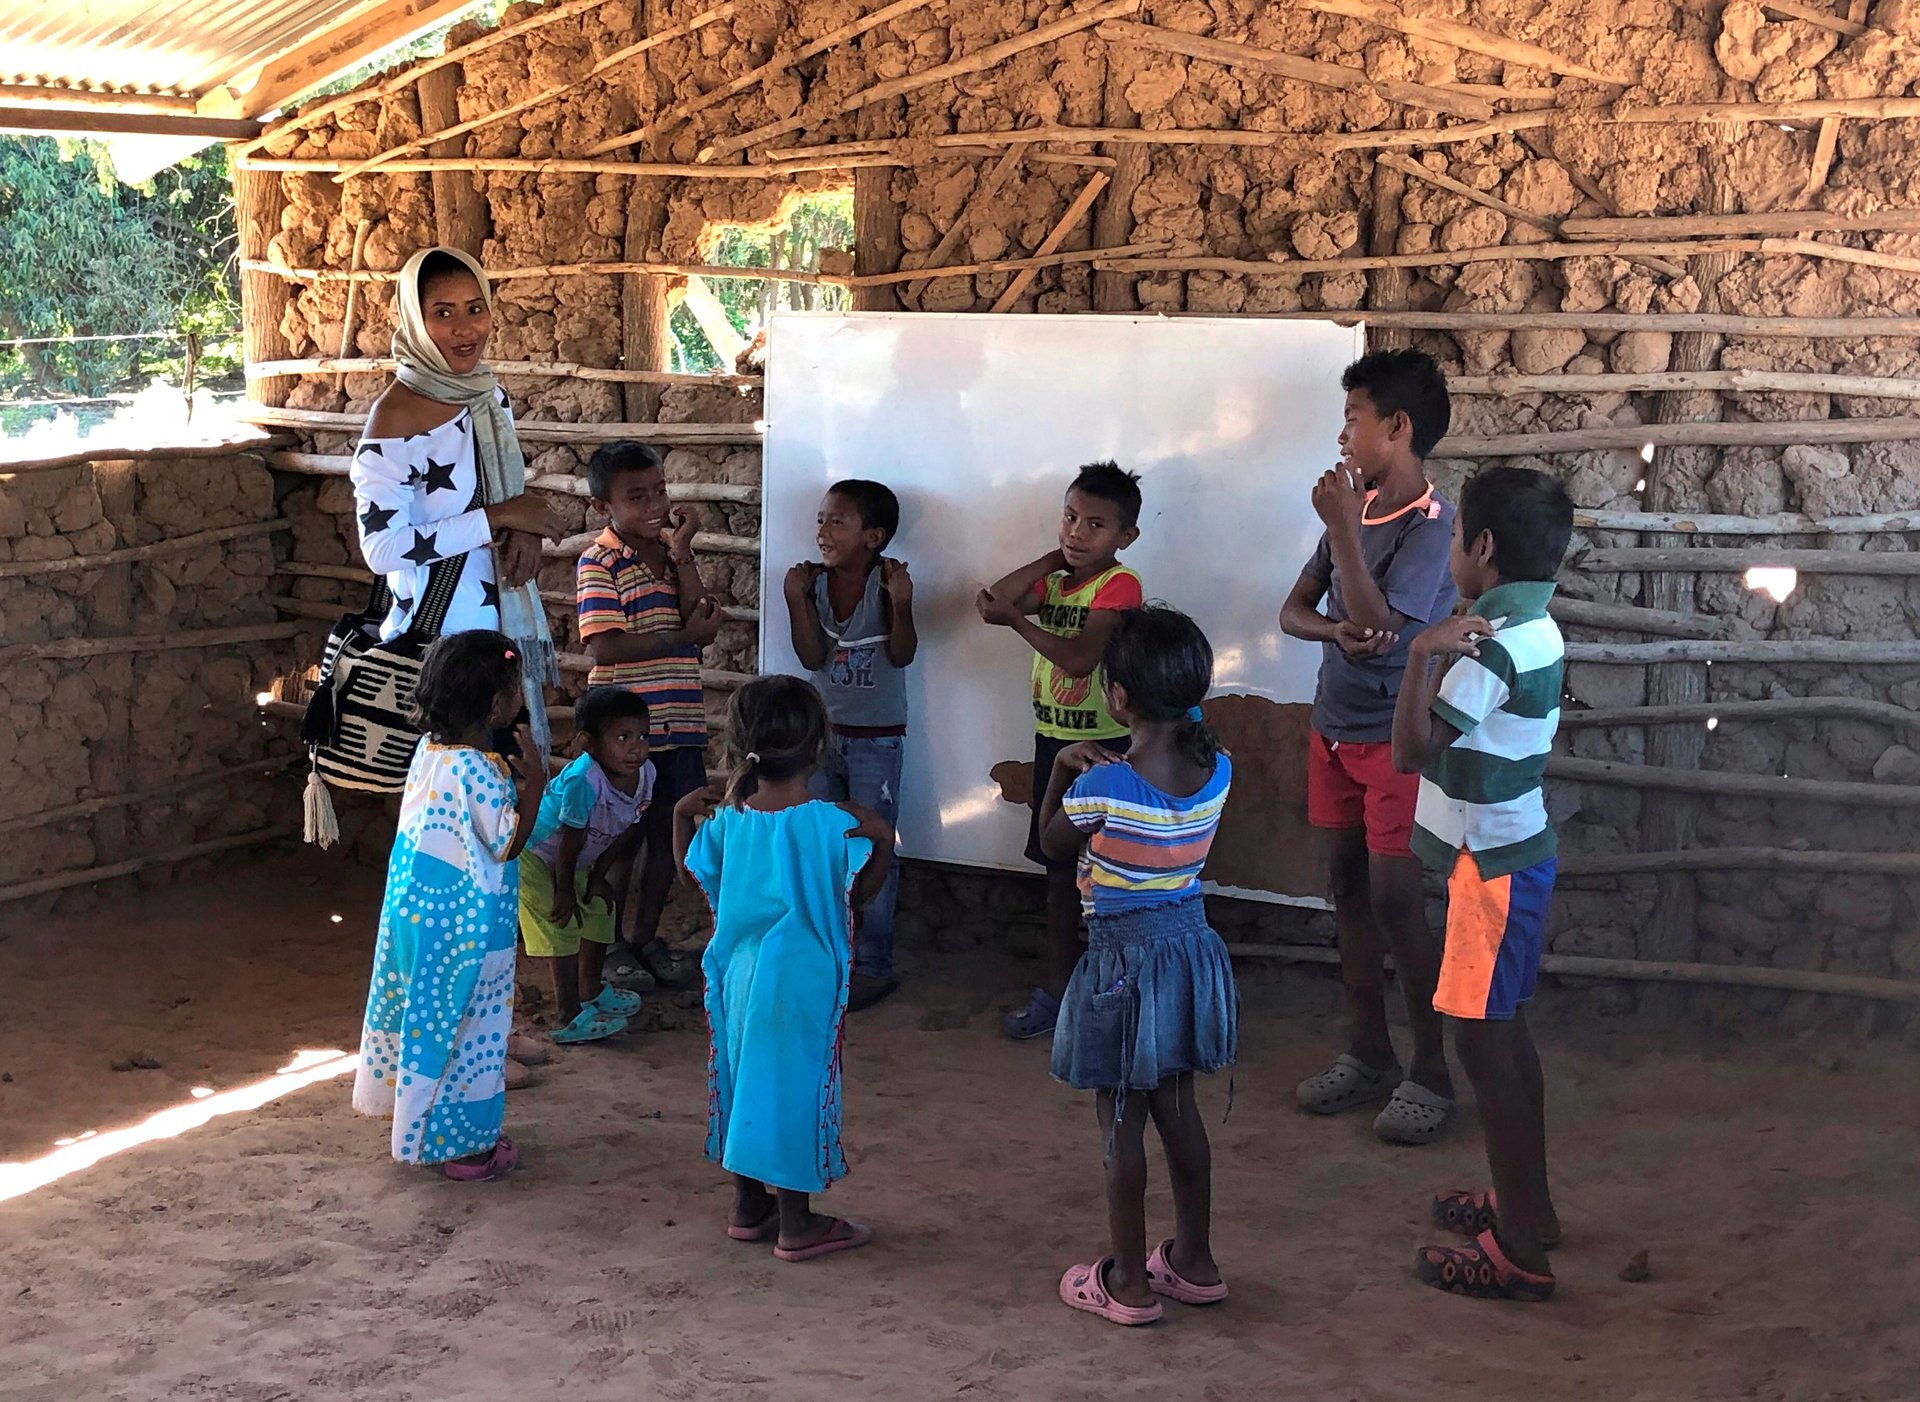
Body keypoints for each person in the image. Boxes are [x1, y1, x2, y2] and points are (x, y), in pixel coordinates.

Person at [1390, 465, 1573, 1302]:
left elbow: (1412, 750)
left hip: (1489, 872)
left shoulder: (1485, 646)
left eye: (1459, 533)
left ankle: (1520, 1251)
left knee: (1481, 1041)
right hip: (1511, 856)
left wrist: (1423, 652)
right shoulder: (1530, 629)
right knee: (1505, 1037)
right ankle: (1528, 1206)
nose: (1454, 547)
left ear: (1484, 548)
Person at [1279, 348, 1462, 1145]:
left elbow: (1385, 626)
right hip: (1334, 729)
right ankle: (1369, 1053)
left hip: (1395, 741)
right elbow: (1295, 612)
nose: (1344, 434)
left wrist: (1345, 535)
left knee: (1397, 898)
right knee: (1346, 889)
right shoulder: (1354, 515)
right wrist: (1334, 630)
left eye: (1355, 418)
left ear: (1398, 427)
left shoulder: (1432, 525)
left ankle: (1432, 1070)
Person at [1040, 606, 1237, 1328]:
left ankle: (1125, 1281)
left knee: (1121, 1120)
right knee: (1178, 1110)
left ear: (1117, 699)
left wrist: (1063, 770)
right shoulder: (1218, 768)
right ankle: (1195, 1261)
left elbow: (1055, 846)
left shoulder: (1103, 786)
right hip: (1188, 952)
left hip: (1122, 962)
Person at [673, 675, 894, 1262]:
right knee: (796, 1089)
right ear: (820, 748)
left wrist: (677, 821)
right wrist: (885, 838)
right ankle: (797, 1223)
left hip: (737, 978)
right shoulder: (832, 823)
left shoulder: (727, 821)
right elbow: (860, 893)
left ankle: (749, 1207)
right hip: (803, 981)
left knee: (740, 1081)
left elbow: (698, 878)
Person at [352, 630, 547, 1182]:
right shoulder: (480, 771)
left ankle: (422, 1124)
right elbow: (508, 841)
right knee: (469, 1031)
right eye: (514, 688)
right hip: (466, 930)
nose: (520, 698)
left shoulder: (431, 753)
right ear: (494, 703)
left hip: (417, 917)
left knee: (430, 1020)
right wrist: (534, 783)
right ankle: (465, 1149)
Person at [977, 461, 1145, 1041]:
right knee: (1055, 872)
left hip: (1107, 749)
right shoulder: (1058, 579)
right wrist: (1054, 560)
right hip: (1055, 745)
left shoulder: (1120, 585)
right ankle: (1058, 989)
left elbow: (1077, 659)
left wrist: (1019, 625)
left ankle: (1112, 992)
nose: (1076, 532)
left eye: (1095, 525)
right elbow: (993, 600)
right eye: (1070, 518)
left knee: (1108, 876)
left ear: (1126, 538)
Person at [351, 245, 563, 680]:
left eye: (475, 309)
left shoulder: (488, 397)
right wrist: (499, 517)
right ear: (414, 319)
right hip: (435, 653)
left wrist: (520, 525)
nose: (465, 329)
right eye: (443, 314)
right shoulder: (395, 419)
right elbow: (381, 550)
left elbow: (495, 491)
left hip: (500, 638)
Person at [576, 441, 718, 992]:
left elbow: (699, 612)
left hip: (678, 724)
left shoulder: (669, 550)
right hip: (625, 736)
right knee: (617, 843)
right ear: (602, 508)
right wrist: (685, 637)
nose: (654, 504)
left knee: (667, 837)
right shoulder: (599, 560)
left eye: (659, 490)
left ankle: (645, 939)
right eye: (636, 497)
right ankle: (609, 945)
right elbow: (605, 647)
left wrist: (683, 553)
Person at [783, 479, 916, 1013]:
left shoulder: (888, 584)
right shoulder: (813, 585)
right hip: (823, 738)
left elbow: (903, 654)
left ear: (873, 536)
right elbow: (811, 657)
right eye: (821, 519)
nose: (823, 531)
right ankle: (825, 953)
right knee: (821, 844)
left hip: (877, 740)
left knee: (874, 845)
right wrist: (795, 598)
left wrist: (902, 605)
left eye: (837, 521)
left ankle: (873, 963)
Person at [517, 686, 656, 1045]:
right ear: (588, 743)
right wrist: (564, 890)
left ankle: (591, 991)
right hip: (538, 854)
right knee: (561, 924)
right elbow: (569, 838)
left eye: (643, 735)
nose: (637, 747)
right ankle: (568, 1016)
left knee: (599, 909)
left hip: (578, 858)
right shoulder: (584, 780)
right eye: (623, 737)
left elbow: (624, 831)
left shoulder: (646, 775)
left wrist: (596, 878)